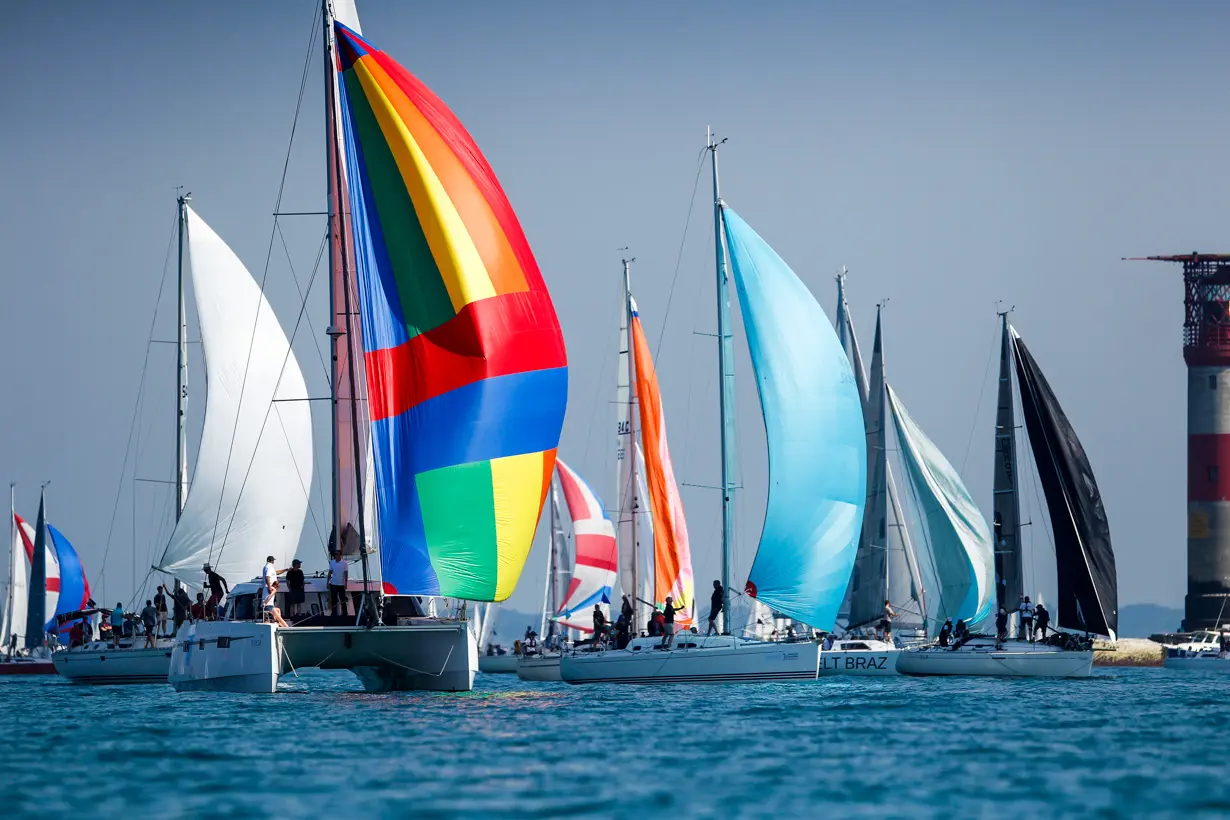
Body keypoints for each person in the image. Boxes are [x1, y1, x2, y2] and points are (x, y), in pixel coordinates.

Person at [327, 550, 349, 617]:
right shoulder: (332, 562)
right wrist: (327, 582)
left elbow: (346, 574)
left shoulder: (344, 563)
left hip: (341, 584)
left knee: (342, 599)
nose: (336, 556)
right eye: (335, 554)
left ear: (340, 555)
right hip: (333, 583)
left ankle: (345, 613)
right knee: (334, 599)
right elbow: (330, 572)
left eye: (338, 554)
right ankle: (334, 613)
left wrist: (346, 583)